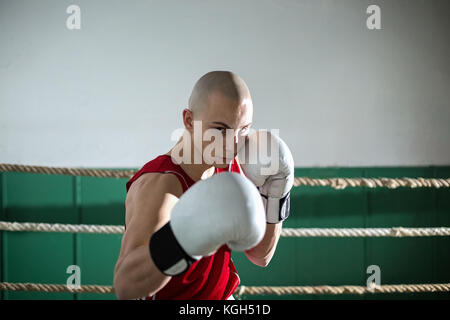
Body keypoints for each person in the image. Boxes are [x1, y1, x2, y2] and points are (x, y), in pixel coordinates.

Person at [113, 71, 294, 300]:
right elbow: (126, 286)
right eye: (220, 129)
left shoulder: (229, 165)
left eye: (243, 129)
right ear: (189, 120)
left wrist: (277, 194)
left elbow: (261, 257)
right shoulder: (162, 184)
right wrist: (183, 238)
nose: (233, 144)